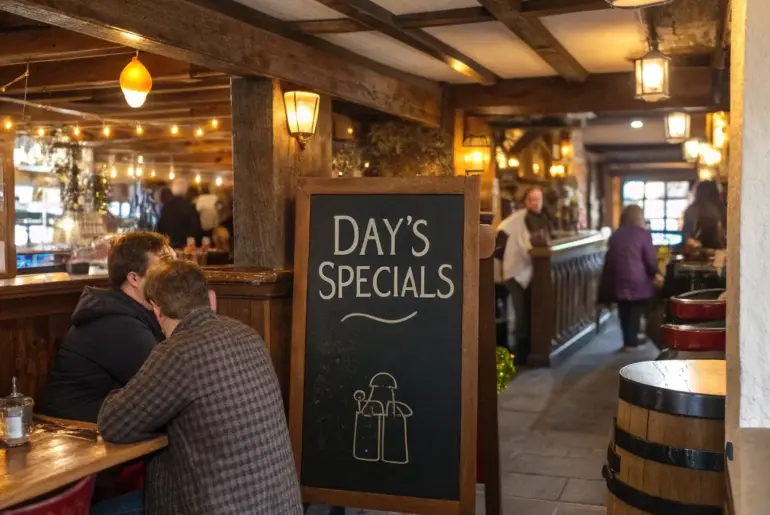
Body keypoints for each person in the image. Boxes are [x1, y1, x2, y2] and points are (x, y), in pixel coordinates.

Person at [98, 260, 303, 515]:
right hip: (281, 505)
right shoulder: (248, 334)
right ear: (207, 298)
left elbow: (113, 425)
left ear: (157, 309)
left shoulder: (178, 351)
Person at [40, 232, 173, 423]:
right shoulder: (116, 322)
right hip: (72, 427)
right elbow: (166, 385)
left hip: (106, 420)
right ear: (134, 279)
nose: (170, 278)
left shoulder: (138, 311)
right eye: (161, 271)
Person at [496, 187, 549, 363]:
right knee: (520, 313)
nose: (535, 203)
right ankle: (519, 353)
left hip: (530, 269)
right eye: (532, 199)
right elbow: (502, 231)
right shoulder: (520, 218)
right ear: (526, 201)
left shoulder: (542, 218)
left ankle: (526, 349)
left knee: (527, 311)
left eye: (538, 199)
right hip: (515, 269)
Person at [598, 204, 658, 351]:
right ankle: (632, 341)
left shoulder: (616, 235)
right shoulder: (643, 234)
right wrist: (654, 273)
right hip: (638, 279)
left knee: (623, 309)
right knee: (635, 309)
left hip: (617, 277)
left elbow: (610, 258)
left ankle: (628, 340)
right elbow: (650, 260)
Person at [682, 180, 727, 250]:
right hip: (715, 249)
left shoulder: (692, 209)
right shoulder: (721, 209)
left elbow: (686, 234)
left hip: (701, 250)